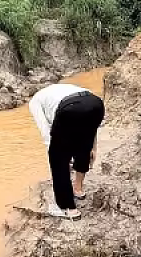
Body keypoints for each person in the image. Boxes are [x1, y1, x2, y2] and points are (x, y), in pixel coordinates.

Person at [29, 84, 105, 220]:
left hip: (70, 109)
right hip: (96, 103)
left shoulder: (35, 101)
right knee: (83, 146)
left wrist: (56, 155)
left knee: (58, 159)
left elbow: (45, 133)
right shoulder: (62, 88)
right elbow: (90, 130)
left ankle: (68, 208)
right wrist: (93, 147)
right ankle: (78, 189)